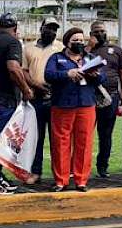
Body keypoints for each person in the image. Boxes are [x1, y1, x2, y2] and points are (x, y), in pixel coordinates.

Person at [44, 27, 104, 192]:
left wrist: (96, 75)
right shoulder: (56, 58)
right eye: (75, 40)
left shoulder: (90, 58)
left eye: (81, 40)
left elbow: (102, 78)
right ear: (67, 42)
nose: (79, 43)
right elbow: (48, 75)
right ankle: (61, 180)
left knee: (84, 143)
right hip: (63, 105)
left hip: (86, 105)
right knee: (61, 143)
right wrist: (67, 74)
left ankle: (81, 180)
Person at [0, 13, 34, 195]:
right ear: (15, 29)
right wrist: (26, 89)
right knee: (1, 144)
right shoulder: (12, 43)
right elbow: (13, 68)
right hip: (2, 100)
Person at [22, 17, 63, 184]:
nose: (51, 32)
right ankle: (35, 172)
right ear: (41, 28)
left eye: (54, 29)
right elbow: (23, 71)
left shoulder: (60, 47)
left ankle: (58, 174)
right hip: (35, 98)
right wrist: (35, 85)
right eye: (48, 28)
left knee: (57, 139)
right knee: (35, 138)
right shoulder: (29, 47)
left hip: (56, 98)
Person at [87, 21, 122, 178]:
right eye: (96, 31)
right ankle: (79, 168)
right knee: (84, 135)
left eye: (102, 31)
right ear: (91, 34)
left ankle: (102, 166)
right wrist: (89, 48)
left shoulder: (117, 50)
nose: (100, 34)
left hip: (111, 96)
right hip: (89, 97)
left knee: (105, 134)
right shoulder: (86, 51)